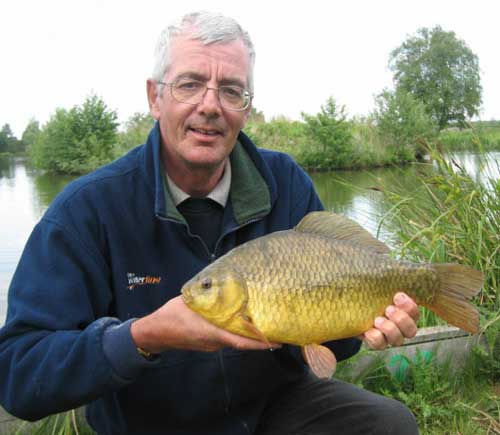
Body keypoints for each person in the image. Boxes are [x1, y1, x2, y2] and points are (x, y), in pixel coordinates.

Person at [0, 11, 420, 435]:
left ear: (247, 107)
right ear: (154, 97)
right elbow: (18, 373)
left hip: (274, 408)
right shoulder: (87, 210)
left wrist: (369, 324)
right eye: (190, 84)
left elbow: (330, 339)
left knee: (389, 424)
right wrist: (141, 338)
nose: (210, 105)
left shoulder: (285, 182)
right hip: (153, 423)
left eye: (231, 90)